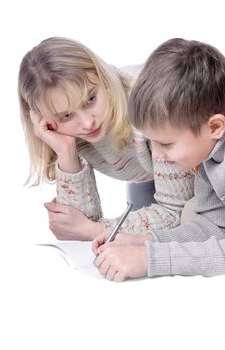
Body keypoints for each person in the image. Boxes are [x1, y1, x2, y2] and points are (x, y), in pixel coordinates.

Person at [18, 36, 194, 241]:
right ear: (45, 119)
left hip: (209, 165)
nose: (86, 123)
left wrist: (94, 230)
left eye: (90, 99)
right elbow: (77, 224)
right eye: (66, 115)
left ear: (103, 77)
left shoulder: (150, 106)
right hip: (151, 175)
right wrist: (66, 153)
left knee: (190, 216)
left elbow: (174, 212)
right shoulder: (65, 132)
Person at [93, 38, 225, 282]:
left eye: (166, 143)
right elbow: (215, 226)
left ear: (215, 126)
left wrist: (150, 259)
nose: (157, 155)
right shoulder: (207, 154)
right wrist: (146, 240)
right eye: (151, 142)